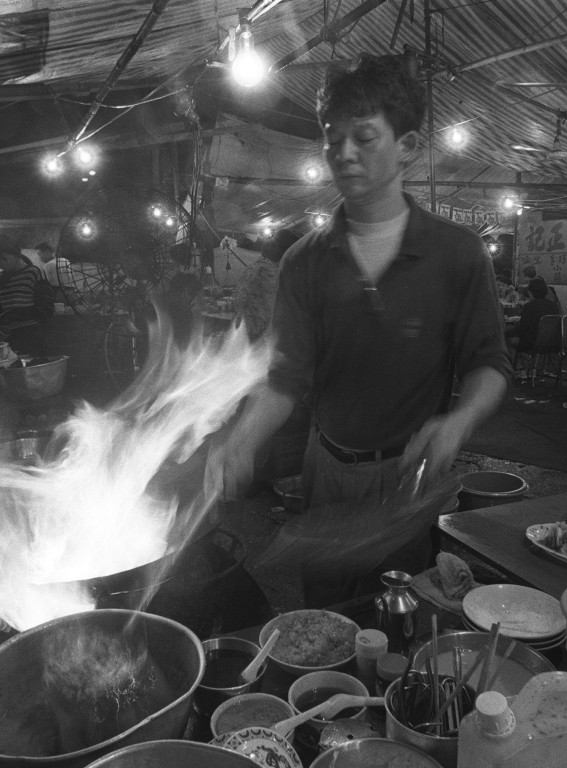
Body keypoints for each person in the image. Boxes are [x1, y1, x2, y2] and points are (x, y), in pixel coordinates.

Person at [205, 54, 511, 607]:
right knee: (325, 618)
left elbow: (489, 364)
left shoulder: (456, 254)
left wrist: (458, 423)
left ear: (408, 147)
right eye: (332, 138)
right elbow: (285, 378)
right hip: (325, 470)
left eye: (364, 137)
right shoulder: (304, 261)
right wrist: (243, 439)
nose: (343, 153)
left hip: (409, 476)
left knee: (403, 612)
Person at [234, 229, 300, 341]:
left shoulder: (253, 268)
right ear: (286, 253)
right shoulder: (269, 274)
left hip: (242, 336)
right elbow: (278, 313)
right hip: (260, 342)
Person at [505, 277, 559, 378]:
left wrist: (506, 332)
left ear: (530, 292)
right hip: (552, 342)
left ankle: (518, 369)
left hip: (531, 342)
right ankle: (534, 368)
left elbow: (522, 329)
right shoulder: (553, 306)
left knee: (507, 336)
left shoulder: (529, 306)